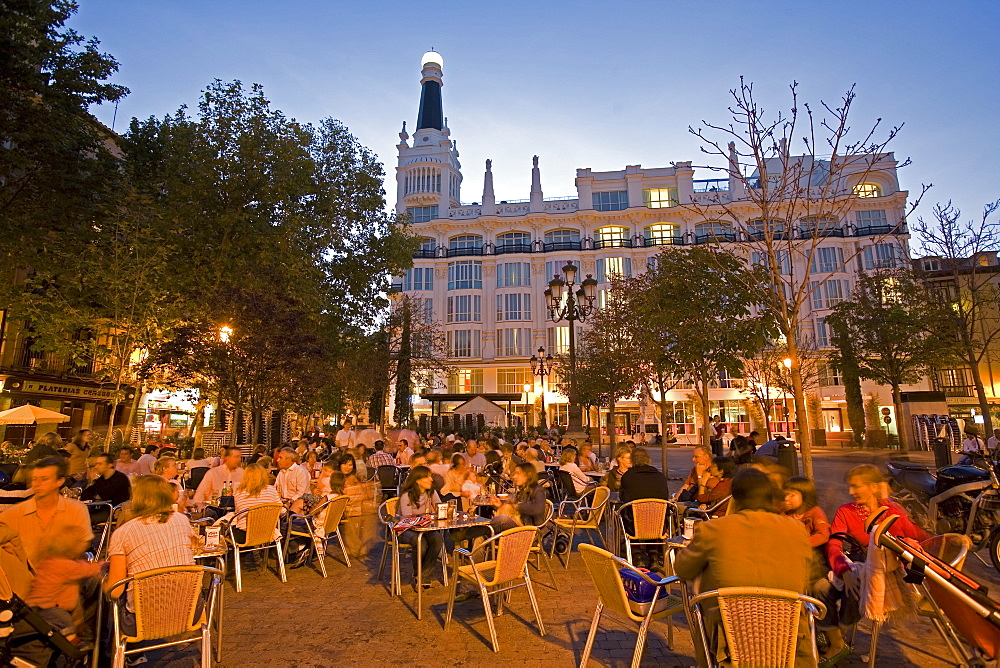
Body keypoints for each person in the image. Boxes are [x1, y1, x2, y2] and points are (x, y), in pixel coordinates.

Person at [674, 468, 814, 665]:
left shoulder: (714, 529)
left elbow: (682, 569)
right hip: (789, 636)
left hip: (730, 636)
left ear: (734, 498)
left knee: (701, 602)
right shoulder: (797, 530)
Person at [824, 464, 929, 661]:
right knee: (832, 586)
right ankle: (836, 635)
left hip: (891, 568)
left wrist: (944, 541)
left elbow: (915, 535)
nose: (851, 492)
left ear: (873, 487)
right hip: (857, 563)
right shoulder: (845, 511)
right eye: (850, 487)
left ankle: (840, 634)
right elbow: (834, 543)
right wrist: (843, 569)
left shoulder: (892, 510)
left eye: (856, 486)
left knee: (860, 583)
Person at [105, 476, 195, 646]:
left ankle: (116, 654)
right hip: (187, 611)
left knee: (112, 592)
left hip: (142, 619)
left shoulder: (123, 533)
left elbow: (115, 590)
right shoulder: (183, 521)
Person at [0, 457, 93, 570]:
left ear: (60, 481)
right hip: (23, 579)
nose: (37, 484)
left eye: (44, 479)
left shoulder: (76, 510)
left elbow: (83, 544)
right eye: (34, 479)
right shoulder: (12, 515)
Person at [25, 524, 102, 645]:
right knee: (64, 620)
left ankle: (77, 638)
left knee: (69, 616)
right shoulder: (63, 565)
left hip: (40, 605)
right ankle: (73, 644)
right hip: (46, 606)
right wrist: (104, 565)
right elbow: (86, 569)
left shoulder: (50, 561)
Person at [397, 466, 444, 587]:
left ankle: (424, 577)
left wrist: (444, 512)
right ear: (417, 480)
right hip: (405, 529)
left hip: (424, 527)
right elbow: (406, 519)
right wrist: (423, 518)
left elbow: (440, 507)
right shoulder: (407, 496)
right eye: (427, 477)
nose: (430, 479)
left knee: (437, 539)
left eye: (430, 476)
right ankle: (418, 575)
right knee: (421, 543)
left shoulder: (431, 492)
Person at [230, 464, 282, 544]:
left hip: (245, 535)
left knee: (227, 528)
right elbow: (281, 510)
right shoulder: (272, 490)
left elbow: (238, 512)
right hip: (267, 533)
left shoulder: (239, 491)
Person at [490, 463, 548, 532]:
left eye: (518, 473)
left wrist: (516, 506)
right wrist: (500, 505)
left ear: (528, 475)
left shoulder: (537, 490)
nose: (514, 477)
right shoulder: (522, 490)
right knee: (482, 534)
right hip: (519, 526)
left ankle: (486, 532)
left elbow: (538, 508)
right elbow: (514, 511)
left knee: (503, 519)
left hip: (529, 530)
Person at [274, 447, 310, 514]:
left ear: (289, 460)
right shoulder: (281, 472)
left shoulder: (300, 472)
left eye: (280, 458)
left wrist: (289, 502)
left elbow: (301, 493)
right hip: (283, 502)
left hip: (296, 503)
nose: (277, 460)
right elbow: (276, 489)